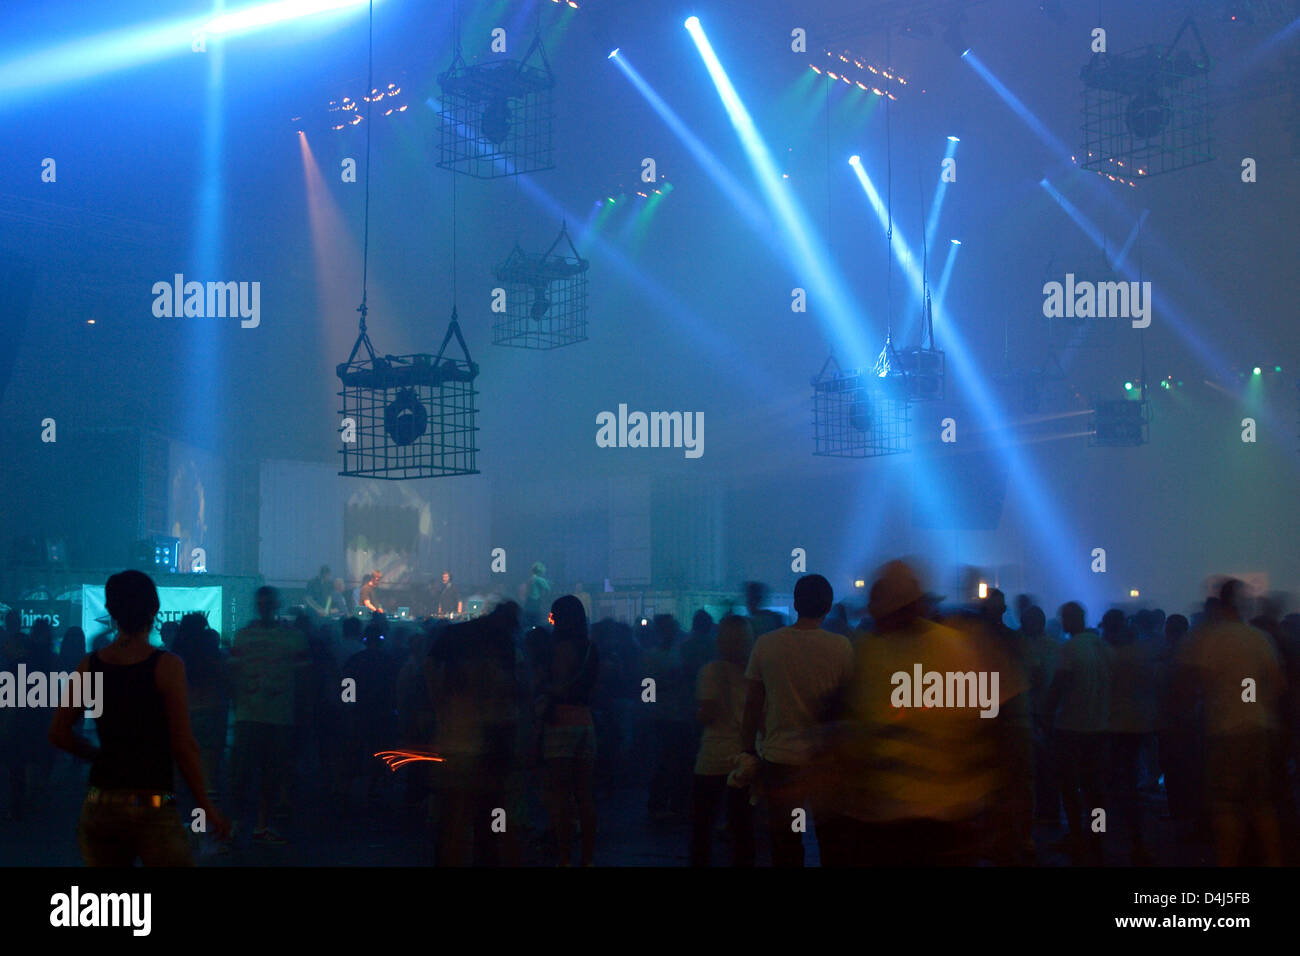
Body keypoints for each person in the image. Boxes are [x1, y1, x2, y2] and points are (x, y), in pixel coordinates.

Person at [827, 560, 1015, 866]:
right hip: (941, 819)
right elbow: (993, 726)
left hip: (900, 820)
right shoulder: (957, 647)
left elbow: (851, 728)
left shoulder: (871, 650)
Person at [49, 569, 229, 864]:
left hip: (101, 803)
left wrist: (100, 756)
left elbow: (59, 733)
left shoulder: (90, 665)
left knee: (111, 910)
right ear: (154, 610)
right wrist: (206, 805)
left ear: (111, 611)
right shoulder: (167, 665)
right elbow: (184, 745)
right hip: (152, 803)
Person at [741, 573, 852, 867]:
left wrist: (747, 750)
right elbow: (849, 706)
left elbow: (752, 703)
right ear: (827, 607)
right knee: (831, 842)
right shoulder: (841, 647)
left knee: (786, 845)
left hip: (779, 759)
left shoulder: (766, 644)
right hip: (825, 760)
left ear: (795, 603)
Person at [1172, 579, 1285, 865]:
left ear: (1220, 604)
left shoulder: (1208, 638)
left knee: (1225, 806)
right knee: (1261, 805)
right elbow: (1279, 685)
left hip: (1225, 731)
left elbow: (1184, 687)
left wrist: (1189, 711)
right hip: (1260, 728)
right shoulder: (1259, 638)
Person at [228, 586, 310, 846]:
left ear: (273, 605)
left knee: (265, 774)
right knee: (248, 774)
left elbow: (304, 678)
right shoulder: (286, 638)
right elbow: (305, 677)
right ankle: (243, 824)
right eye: (262, 603)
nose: (264, 607)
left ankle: (252, 825)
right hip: (263, 715)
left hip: (269, 716)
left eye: (267, 603)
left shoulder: (247, 637)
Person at [1043, 601, 1110, 863]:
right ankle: (1096, 836)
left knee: (1070, 788)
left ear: (1070, 620)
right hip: (1098, 727)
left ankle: (1076, 836)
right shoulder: (1102, 646)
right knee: (1094, 788)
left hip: (1070, 727)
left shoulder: (1069, 648)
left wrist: (1046, 715)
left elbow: (1058, 686)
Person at [537, 595, 600, 866]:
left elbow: (559, 685)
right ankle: (587, 858)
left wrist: (543, 691)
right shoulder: (590, 648)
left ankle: (564, 858)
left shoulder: (560, 647)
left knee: (561, 797)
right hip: (585, 722)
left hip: (561, 724)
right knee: (584, 795)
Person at [690, 614, 755, 866]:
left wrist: (695, 713)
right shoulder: (756, 672)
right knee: (742, 827)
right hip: (744, 757)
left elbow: (707, 715)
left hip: (713, 756)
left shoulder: (711, 670)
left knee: (702, 824)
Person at [521, 563, 551, 629]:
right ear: (541, 571)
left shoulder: (530, 579)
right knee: (536, 621)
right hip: (535, 602)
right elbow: (548, 589)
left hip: (528, 602)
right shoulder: (539, 579)